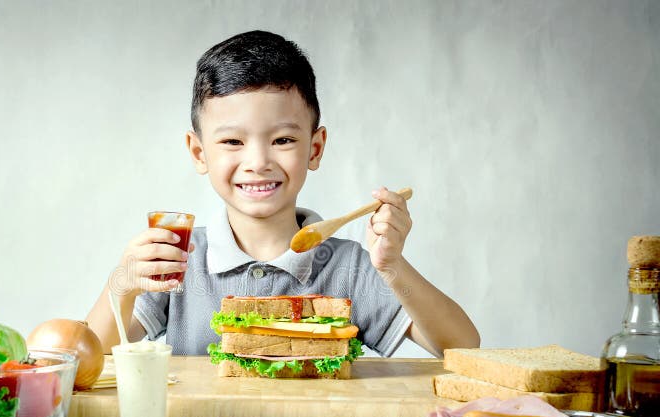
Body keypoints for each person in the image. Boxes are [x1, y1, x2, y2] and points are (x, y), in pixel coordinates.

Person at [86, 30, 480, 357]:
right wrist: (124, 281)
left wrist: (393, 265)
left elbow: (461, 346)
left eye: (283, 139)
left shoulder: (351, 267)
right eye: (233, 142)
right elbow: (92, 353)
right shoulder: (180, 259)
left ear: (315, 148)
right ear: (198, 152)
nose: (258, 161)